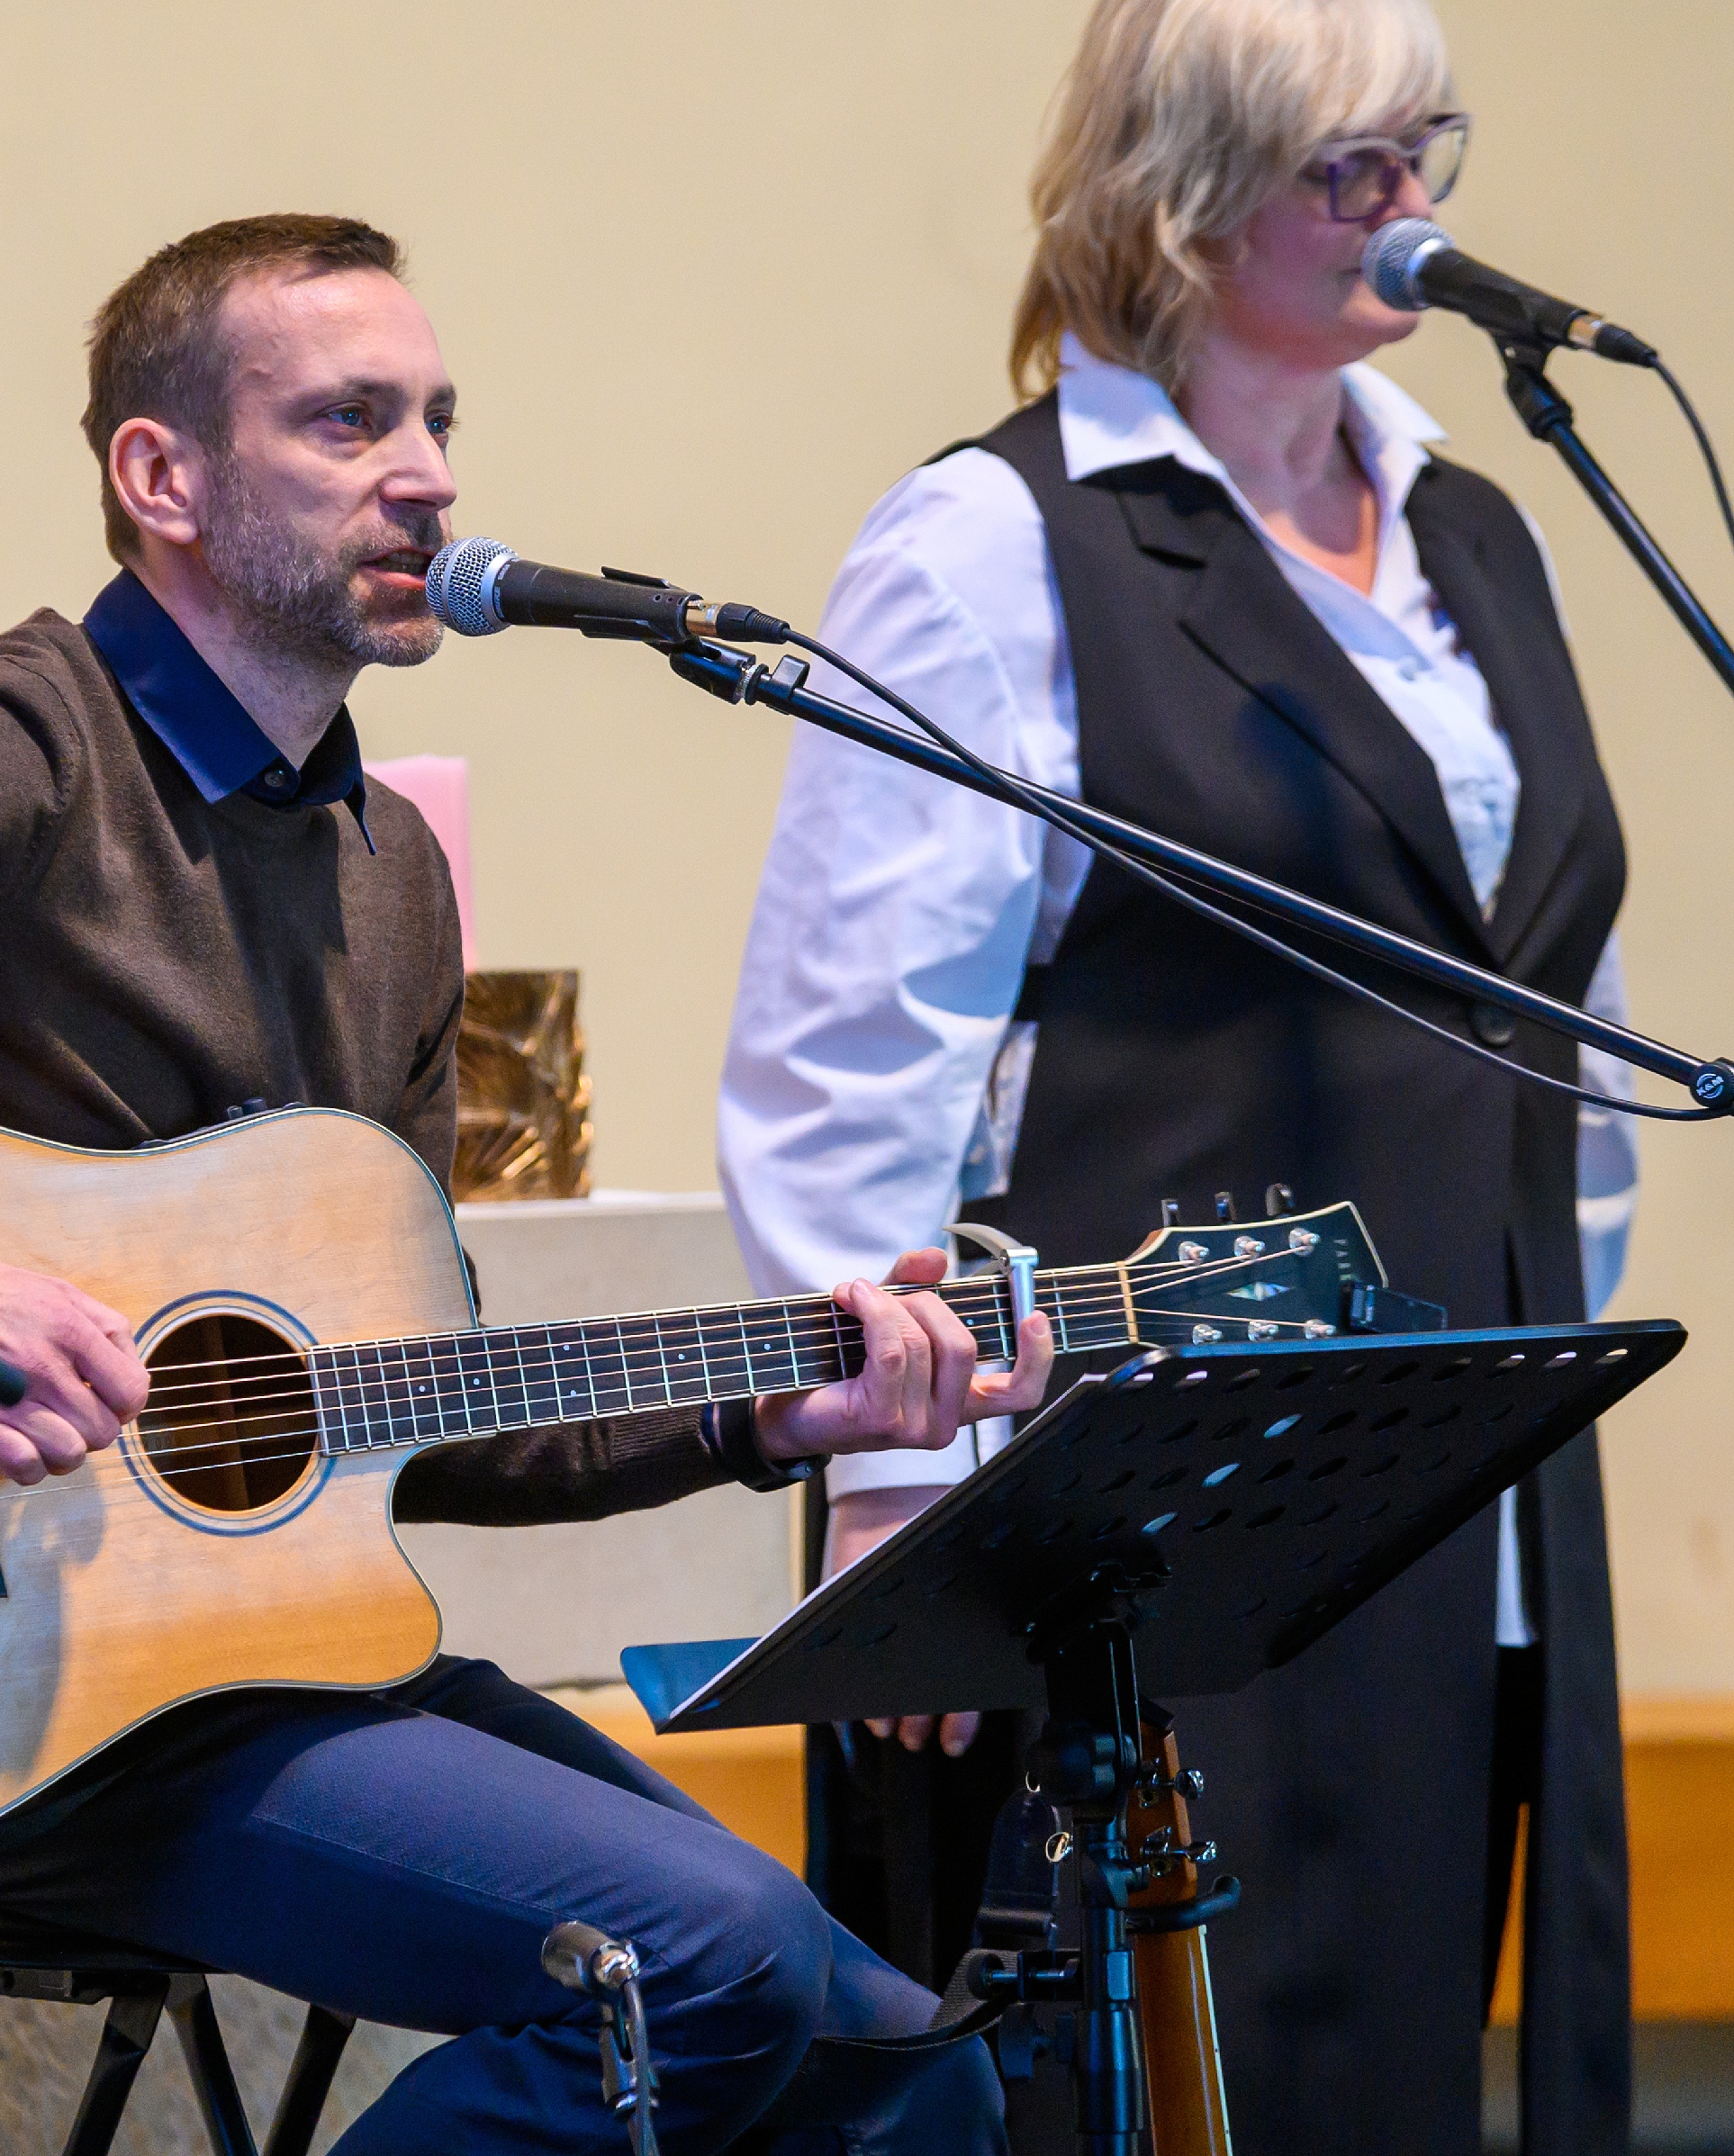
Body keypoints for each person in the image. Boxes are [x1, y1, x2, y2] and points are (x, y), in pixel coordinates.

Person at [0, 214, 1041, 2155]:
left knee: (907, 2069)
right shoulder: (21, 754)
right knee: (701, 1961)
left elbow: (391, 1407)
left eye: (440, 419)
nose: (429, 474)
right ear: (165, 477)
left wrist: (765, 1412)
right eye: (348, 421)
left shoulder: (391, 877)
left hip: (258, 1670)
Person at [716, 3, 1637, 2150]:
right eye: (1347, 167)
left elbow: (1560, 1002)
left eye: (1426, 150)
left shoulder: (1476, 529)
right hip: (1144, 1484)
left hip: (1459, 1451)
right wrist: (900, 1488)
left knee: (1394, 2068)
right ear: (1183, 200)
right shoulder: (992, 546)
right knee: (1150, 2076)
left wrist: (1544, 1352)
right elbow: (849, 1058)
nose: (1409, 211)